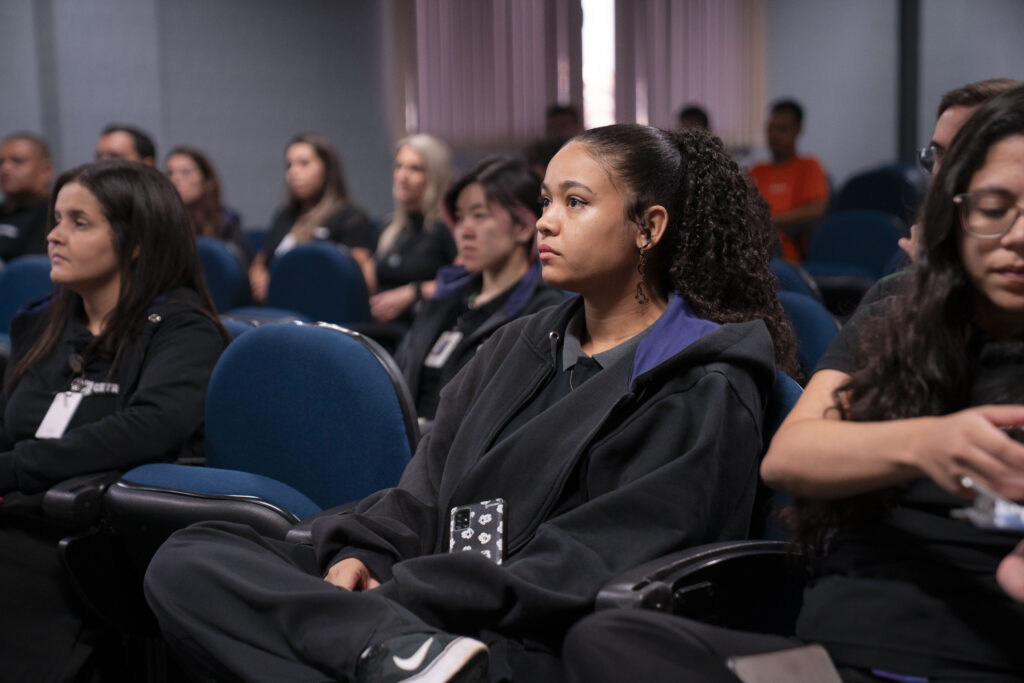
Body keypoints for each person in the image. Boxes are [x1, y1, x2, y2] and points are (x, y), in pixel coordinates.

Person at [143, 123, 798, 682]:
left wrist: (404, 595)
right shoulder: (517, 342)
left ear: (648, 227)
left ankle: (377, 648)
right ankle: (383, 652)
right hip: (420, 608)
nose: (545, 221)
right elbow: (423, 490)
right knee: (191, 555)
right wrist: (365, 555)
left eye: (575, 202)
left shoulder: (700, 379)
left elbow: (590, 562)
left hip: (527, 633)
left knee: (277, 628)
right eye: (545, 201)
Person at [563, 86, 1024, 683]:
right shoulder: (899, 309)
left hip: (979, 662)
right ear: (955, 213)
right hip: (829, 662)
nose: (1017, 235)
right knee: (610, 640)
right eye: (994, 208)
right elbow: (792, 456)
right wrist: (932, 443)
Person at [0, 161, 228, 680]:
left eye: (79, 222)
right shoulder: (39, 323)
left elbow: (147, 429)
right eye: (57, 219)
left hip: (107, 536)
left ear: (136, 241)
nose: (54, 235)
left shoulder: (183, 331)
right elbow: (7, 423)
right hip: (25, 512)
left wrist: (12, 470)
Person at [394, 158, 564, 420]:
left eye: (479, 215)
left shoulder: (543, 313)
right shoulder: (447, 297)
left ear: (522, 227)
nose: (464, 231)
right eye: (459, 217)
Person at [249, 133, 376, 303]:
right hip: (276, 306)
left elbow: (363, 282)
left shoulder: (350, 218)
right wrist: (259, 278)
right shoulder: (285, 215)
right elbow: (261, 261)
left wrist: (282, 286)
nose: (293, 172)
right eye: (289, 165)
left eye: (304, 163)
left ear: (327, 169)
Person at [368, 134, 457, 325]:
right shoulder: (388, 228)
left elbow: (464, 280)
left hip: (420, 329)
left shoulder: (447, 229)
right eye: (399, 166)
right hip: (380, 328)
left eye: (415, 169)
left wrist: (414, 292)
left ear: (434, 176)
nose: (402, 176)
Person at [749, 99, 829, 262]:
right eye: (770, 128)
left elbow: (816, 210)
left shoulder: (809, 166)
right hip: (752, 247)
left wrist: (769, 220)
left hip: (784, 254)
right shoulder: (756, 170)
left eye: (782, 129)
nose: (774, 135)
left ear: (797, 130)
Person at [166, 145, 250, 264]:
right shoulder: (162, 220)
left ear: (205, 180)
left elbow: (240, 267)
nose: (175, 179)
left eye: (185, 172)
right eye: (170, 173)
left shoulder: (226, 221)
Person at [0, 131, 52, 261]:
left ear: (45, 170)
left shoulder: (55, 215)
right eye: (1, 162)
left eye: (17, 161)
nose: (5, 168)